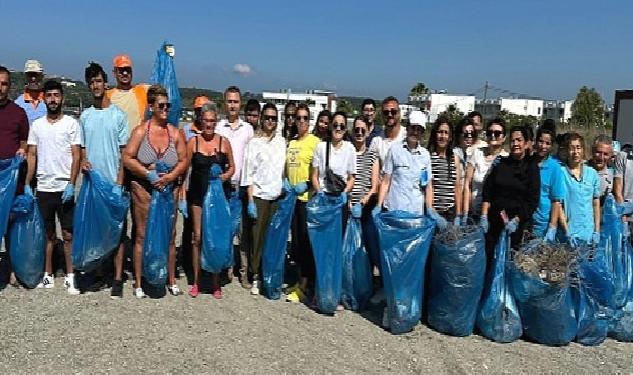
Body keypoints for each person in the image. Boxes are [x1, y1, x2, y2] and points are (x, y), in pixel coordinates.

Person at [122, 85, 188, 298]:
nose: (166, 109)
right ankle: (139, 282)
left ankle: (170, 279)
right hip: (144, 191)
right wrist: (147, 174)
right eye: (161, 105)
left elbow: (184, 160)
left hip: (168, 192)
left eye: (168, 105)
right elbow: (127, 158)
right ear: (151, 107)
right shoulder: (142, 131)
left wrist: (170, 176)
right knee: (141, 235)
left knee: (170, 236)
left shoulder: (175, 133)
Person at [25, 80, 81, 294]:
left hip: (63, 188)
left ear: (62, 98)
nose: (53, 99)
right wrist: (29, 183)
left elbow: (76, 155)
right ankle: (47, 275)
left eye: (56, 95)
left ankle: (70, 275)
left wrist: (71, 183)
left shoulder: (71, 124)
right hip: (44, 188)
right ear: (44, 98)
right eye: (49, 95)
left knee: (68, 234)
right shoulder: (37, 125)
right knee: (48, 235)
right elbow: (32, 154)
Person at [79, 62, 130, 298]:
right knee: (97, 230)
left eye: (98, 80)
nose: (95, 85)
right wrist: (84, 162)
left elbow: (124, 154)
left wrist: (120, 184)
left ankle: (118, 277)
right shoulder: (86, 116)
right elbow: (83, 149)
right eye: (91, 82)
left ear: (105, 83)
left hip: (113, 183)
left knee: (118, 231)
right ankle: (99, 273)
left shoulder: (117, 115)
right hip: (93, 184)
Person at [184, 102, 235, 298]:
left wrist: (223, 177)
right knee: (197, 238)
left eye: (212, 121)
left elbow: (232, 167)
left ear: (216, 122)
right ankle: (196, 281)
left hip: (218, 199)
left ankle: (215, 282)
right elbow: (185, 168)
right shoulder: (193, 142)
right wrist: (181, 192)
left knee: (216, 239)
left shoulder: (224, 142)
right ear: (200, 121)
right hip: (197, 195)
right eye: (206, 121)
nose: (209, 125)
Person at [241, 103, 286, 295]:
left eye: (274, 118)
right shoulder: (254, 143)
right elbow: (248, 173)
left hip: (276, 197)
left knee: (271, 239)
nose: (270, 121)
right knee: (256, 239)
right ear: (261, 119)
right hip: (259, 196)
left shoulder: (281, 142)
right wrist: (250, 200)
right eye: (267, 117)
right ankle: (255, 275)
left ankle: (269, 274)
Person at [480, 126, 540, 264]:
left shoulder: (531, 168)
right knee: (491, 264)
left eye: (519, 140)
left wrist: (517, 220)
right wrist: (483, 216)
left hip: (517, 229)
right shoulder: (501, 164)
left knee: (512, 265)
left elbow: (532, 201)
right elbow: (487, 192)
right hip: (494, 226)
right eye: (512, 141)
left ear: (526, 143)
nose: (515, 144)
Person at [215, 86, 254, 289]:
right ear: (224, 103)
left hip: (241, 188)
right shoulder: (218, 127)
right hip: (223, 187)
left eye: (236, 102)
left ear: (241, 104)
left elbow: (252, 158)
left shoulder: (247, 129)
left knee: (242, 233)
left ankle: (244, 272)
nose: (232, 105)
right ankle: (225, 269)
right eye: (229, 101)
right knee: (224, 230)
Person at [376, 110, 441, 223]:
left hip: (415, 215)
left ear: (423, 132)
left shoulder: (425, 155)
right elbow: (386, 181)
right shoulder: (394, 150)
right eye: (413, 128)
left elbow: (428, 186)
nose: (415, 132)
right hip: (394, 212)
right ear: (407, 128)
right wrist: (378, 205)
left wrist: (430, 208)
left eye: (419, 129)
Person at [285, 103, 320, 303]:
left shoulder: (315, 143)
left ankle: (306, 286)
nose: (301, 122)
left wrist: (307, 185)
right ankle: (300, 282)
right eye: (298, 118)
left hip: (307, 200)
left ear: (310, 120)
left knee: (307, 245)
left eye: (305, 118)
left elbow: (320, 172)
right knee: (297, 244)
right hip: (292, 201)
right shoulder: (292, 142)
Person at [0, 65, 29, 287]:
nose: (1, 88)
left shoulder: (18, 113)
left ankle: (11, 271)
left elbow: (23, 142)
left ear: (10, 86)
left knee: (10, 225)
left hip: (10, 180)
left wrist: (22, 151)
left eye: (4, 84)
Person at [180, 95, 210, 282]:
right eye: (198, 110)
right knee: (188, 229)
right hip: (191, 186)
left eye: (203, 110)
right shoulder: (186, 132)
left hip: (207, 188)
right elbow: (183, 162)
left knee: (205, 230)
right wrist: (182, 192)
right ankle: (186, 263)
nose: (200, 114)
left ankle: (203, 265)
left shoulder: (212, 130)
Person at [558, 133, 601, 246]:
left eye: (578, 147)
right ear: (567, 151)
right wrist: (567, 232)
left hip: (589, 235)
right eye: (572, 148)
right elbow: (558, 206)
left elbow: (596, 204)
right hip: (569, 235)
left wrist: (596, 231)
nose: (575, 152)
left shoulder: (592, 174)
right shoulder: (561, 174)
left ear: (583, 150)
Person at [311, 111, 356, 215]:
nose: (338, 129)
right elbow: (315, 175)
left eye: (342, 126)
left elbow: (352, 177)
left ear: (345, 129)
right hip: (324, 197)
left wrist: (345, 193)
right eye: (335, 125)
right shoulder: (320, 147)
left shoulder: (350, 148)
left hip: (340, 198)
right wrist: (319, 193)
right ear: (331, 126)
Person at [463, 118, 508, 220]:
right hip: (473, 212)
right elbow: (467, 184)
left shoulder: (506, 159)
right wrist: (466, 213)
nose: (492, 136)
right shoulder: (477, 153)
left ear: (504, 137)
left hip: (494, 215)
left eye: (497, 133)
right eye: (489, 132)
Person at [531, 123, 565, 239]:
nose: (543, 146)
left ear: (551, 146)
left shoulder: (555, 168)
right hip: (525, 221)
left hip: (543, 225)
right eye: (540, 141)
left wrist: (552, 226)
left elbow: (556, 200)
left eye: (547, 143)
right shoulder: (527, 163)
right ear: (535, 142)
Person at [427, 117, 462, 223]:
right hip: (434, 213)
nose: (443, 136)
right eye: (440, 132)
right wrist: (431, 210)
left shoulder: (454, 158)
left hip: (450, 212)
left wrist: (458, 215)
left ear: (450, 137)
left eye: (446, 133)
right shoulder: (428, 157)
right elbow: (428, 186)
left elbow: (457, 187)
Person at [106, 54, 149, 134]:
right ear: (114, 73)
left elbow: (163, 89)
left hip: (139, 144)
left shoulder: (143, 90)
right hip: (116, 144)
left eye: (128, 70)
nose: (125, 73)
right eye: (121, 70)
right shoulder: (107, 96)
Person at [369, 96, 407, 167]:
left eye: (393, 111)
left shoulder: (407, 136)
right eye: (386, 112)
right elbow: (370, 168)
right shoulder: (376, 141)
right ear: (382, 115)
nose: (390, 115)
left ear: (399, 113)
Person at [15, 59, 47, 125]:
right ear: (26, 77)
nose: (33, 78)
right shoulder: (18, 104)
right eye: (30, 75)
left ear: (42, 76)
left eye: (36, 75)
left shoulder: (49, 100)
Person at [588, 135, 614, 205]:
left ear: (610, 155)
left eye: (605, 154)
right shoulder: (580, 170)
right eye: (598, 152)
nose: (601, 157)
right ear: (592, 151)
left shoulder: (613, 176)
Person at [453, 117, 476, 187]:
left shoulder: (465, 154)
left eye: (472, 134)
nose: (469, 137)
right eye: (466, 134)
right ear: (459, 135)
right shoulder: (454, 154)